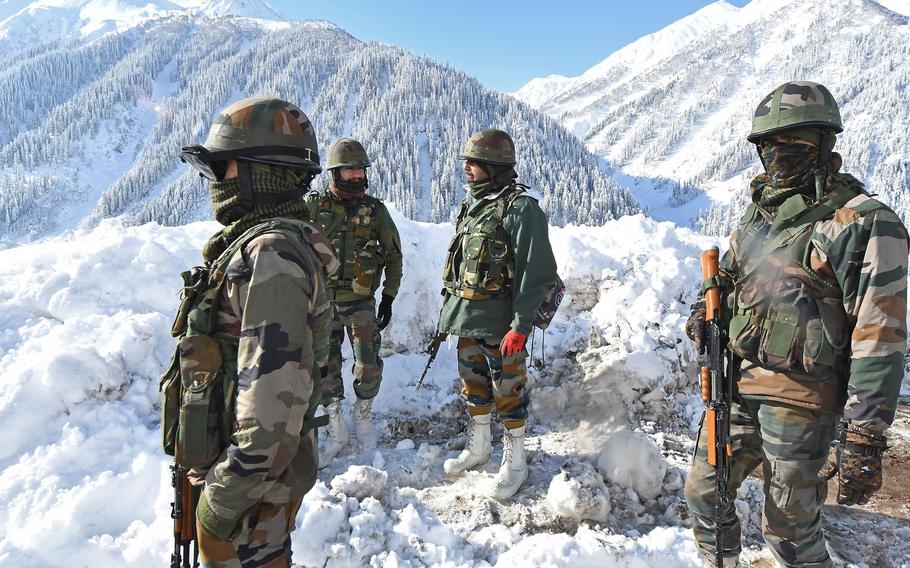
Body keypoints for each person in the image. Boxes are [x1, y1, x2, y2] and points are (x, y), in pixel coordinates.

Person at [684, 81, 908, 568]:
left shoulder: (865, 222)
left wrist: (865, 435)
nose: (777, 155)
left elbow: (880, 334)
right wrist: (704, 312)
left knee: (788, 527)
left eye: (794, 143)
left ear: (825, 144)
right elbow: (730, 274)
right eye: (769, 145)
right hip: (736, 383)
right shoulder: (762, 213)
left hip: (804, 397)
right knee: (703, 493)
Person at [177, 96, 337, 567]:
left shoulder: (273, 255)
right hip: (251, 479)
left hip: (252, 487)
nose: (215, 183)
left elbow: (272, 414)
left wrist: (221, 499)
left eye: (221, 170)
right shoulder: (259, 245)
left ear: (260, 173)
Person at [437, 128, 557, 500]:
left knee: (509, 391)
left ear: (494, 166)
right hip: (468, 320)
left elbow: (535, 274)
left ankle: (516, 459)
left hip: (502, 326)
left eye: (474, 163)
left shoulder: (521, 209)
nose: (467, 168)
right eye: (467, 162)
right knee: (473, 385)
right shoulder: (474, 205)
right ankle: (479, 445)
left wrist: (520, 327)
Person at [304, 137, 403, 466]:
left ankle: (362, 417)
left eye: (361, 169)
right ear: (335, 173)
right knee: (325, 368)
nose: (358, 175)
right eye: (350, 171)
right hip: (321, 303)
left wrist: (388, 297)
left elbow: (394, 256)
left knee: (368, 365)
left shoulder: (375, 210)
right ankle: (335, 428)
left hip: (361, 303)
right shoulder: (314, 208)